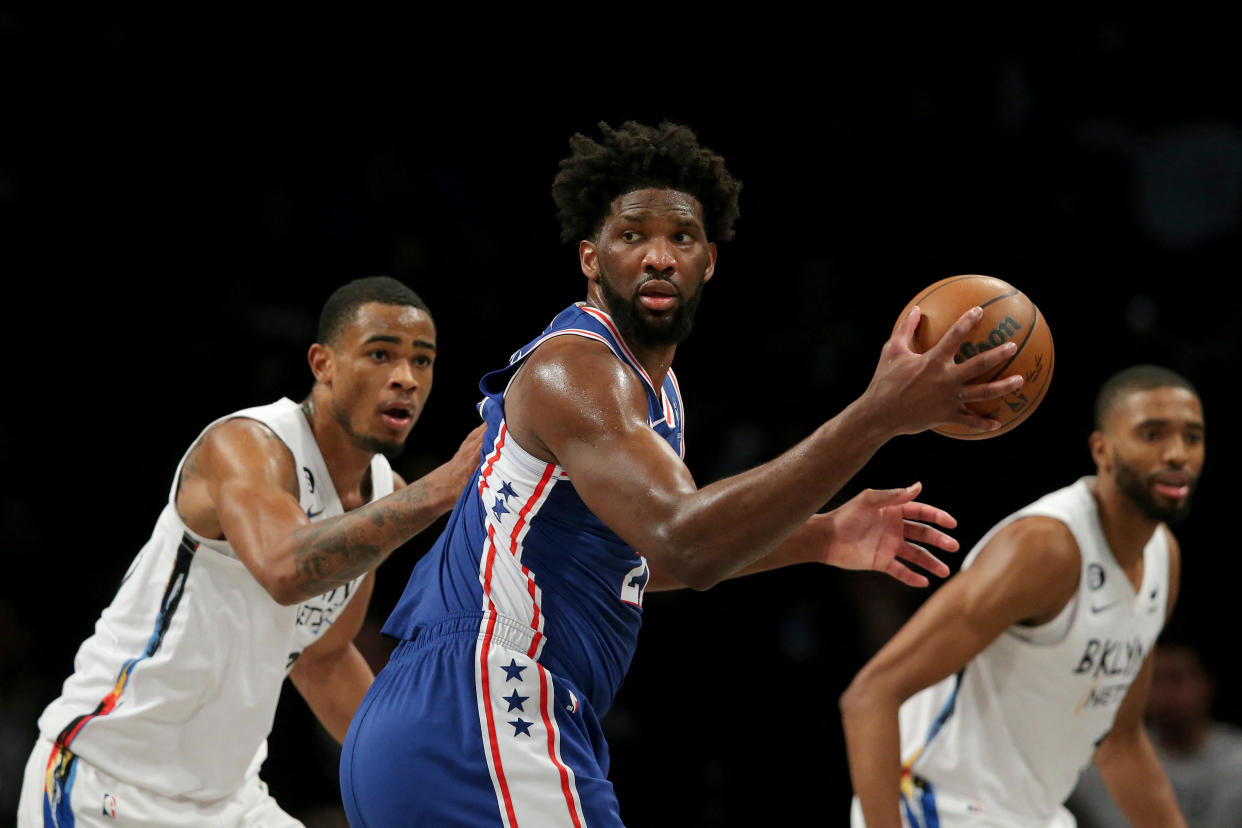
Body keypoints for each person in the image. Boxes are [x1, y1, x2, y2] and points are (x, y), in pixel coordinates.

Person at [337, 121, 1026, 827]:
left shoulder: (654, 393)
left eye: (682, 238)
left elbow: (627, 559)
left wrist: (820, 536)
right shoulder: (577, 369)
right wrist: (878, 415)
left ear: (710, 262)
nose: (658, 256)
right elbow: (683, 542)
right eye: (632, 236)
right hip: (485, 702)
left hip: (438, 717)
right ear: (591, 259)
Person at [17, 276, 484, 827]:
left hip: (228, 803)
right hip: (104, 784)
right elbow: (285, 568)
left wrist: (434, 769)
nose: (404, 378)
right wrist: (444, 487)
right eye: (380, 354)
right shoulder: (246, 445)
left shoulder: (385, 495)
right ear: (323, 363)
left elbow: (323, 658)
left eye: (422, 361)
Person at [840, 364, 1206, 827]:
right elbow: (870, 695)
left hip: (1032, 815)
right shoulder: (1045, 549)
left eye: (1192, 437)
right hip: (937, 807)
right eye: (1152, 434)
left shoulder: (1161, 557)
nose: (1177, 454)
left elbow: (1121, 741)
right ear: (1103, 450)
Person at [1067, 638, 1242, 828]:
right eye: (1155, 681)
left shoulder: (1236, 762)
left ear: (1206, 683)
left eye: (1177, 679)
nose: (1166, 694)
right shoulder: (1099, 765)